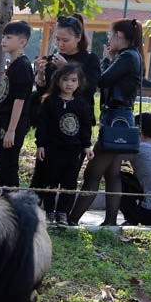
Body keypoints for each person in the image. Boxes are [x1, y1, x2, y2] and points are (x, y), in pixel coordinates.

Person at [69, 18, 144, 226]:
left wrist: (104, 59)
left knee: (92, 173)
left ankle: (72, 220)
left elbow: (101, 81)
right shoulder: (133, 55)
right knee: (112, 174)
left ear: (120, 36)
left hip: (115, 119)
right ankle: (110, 221)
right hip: (122, 118)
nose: (109, 39)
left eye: (111, 35)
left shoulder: (127, 57)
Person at [30, 14, 100, 191]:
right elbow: (45, 93)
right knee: (44, 174)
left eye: (65, 40)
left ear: (78, 37)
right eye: (58, 39)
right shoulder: (52, 58)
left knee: (69, 175)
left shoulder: (90, 59)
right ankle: (40, 210)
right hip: (52, 125)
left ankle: (63, 213)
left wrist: (66, 67)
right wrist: (39, 76)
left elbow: (90, 88)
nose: (60, 44)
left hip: (76, 126)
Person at [35, 64, 94, 225]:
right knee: (50, 180)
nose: (69, 84)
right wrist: (41, 145)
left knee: (69, 183)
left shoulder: (82, 104)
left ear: (79, 83)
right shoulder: (50, 102)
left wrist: (87, 146)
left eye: (73, 80)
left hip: (73, 151)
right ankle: (49, 211)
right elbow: (43, 125)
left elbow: (85, 126)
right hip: (53, 149)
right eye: (65, 79)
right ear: (58, 81)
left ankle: (63, 213)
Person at [0, 20, 34, 188]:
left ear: (22, 42)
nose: (3, 40)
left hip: (14, 124)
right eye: (3, 37)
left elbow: (19, 101)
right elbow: (5, 98)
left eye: (8, 37)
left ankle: (14, 207)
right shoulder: (14, 65)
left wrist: (11, 130)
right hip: (5, 122)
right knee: (3, 165)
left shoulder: (23, 66)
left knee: (9, 166)